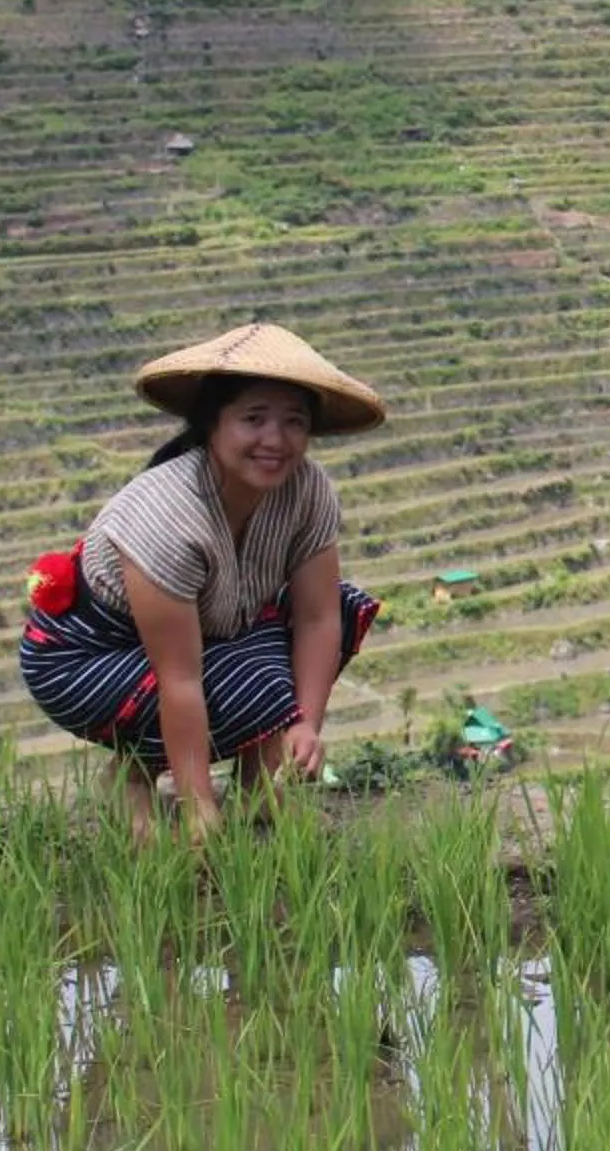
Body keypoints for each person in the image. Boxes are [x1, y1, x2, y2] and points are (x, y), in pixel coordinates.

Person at [19, 324, 386, 839]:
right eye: (253, 419)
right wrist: (198, 806)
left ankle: (260, 785)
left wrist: (304, 724)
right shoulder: (169, 516)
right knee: (252, 678)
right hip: (86, 657)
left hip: (204, 637)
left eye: (294, 422)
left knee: (341, 609)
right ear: (211, 425)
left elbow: (319, 616)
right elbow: (181, 678)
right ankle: (133, 775)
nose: (275, 441)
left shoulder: (307, 490)